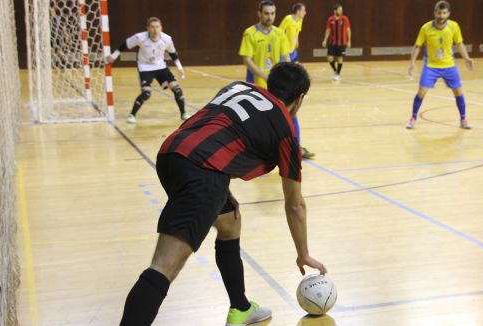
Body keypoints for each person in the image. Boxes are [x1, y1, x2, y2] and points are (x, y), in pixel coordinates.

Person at [119, 62, 327, 326]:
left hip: (171, 154)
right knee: (164, 266)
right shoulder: (286, 132)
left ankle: (240, 307)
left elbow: (219, 132)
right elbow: (295, 205)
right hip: (203, 173)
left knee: (230, 222)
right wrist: (303, 253)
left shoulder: (239, 87)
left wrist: (222, 191)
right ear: (299, 99)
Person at [240, 1, 314, 159]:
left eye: (272, 13)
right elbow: (247, 59)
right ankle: (260, 150)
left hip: (278, 85)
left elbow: (286, 56)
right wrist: (263, 75)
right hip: (258, 85)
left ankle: (296, 147)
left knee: (291, 114)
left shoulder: (279, 34)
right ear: (259, 13)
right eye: (266, 13)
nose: (269, 17)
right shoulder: (250, 33)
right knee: (260, 120)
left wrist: (292, 74)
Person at [106, 17, 190, 123]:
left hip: (161, 67)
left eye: (157, 27)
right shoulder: (140, 37)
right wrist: (113, 56)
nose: (155, 30)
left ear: (161, 28)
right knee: (146, 93)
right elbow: (125, 44)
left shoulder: (167, 39)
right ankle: (132, 114)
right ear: (148, 28)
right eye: (152, 27)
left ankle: (183, 114)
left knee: (177, 89)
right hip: (145, 68)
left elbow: (173, 53)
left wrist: (179, 67)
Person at [406, 0, 474, 129]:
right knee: (421, 92)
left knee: (458, 92)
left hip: (449, 65)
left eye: (444, 13)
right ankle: (413, 117)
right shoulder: (426, 28)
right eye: (439, 13)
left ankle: (463, 119)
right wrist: (412, 63)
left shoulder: (454, 26)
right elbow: (417, 46)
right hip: (431, 66)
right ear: (434, 13)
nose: (441, 16)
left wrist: (466, 58)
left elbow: (459, 43)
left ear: (448, 13)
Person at [278, 3, 315, 159]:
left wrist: (296, 42)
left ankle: (295, 145)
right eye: (304, 10)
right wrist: (285, 50)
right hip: (285, 52)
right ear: (298, 11)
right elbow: (279, 33)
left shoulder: (299, 22)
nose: (305, 12)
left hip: (292, 52)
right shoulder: (288, 19)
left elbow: (297, 33)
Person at [321, 3, 351, 81]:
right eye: (339, 10)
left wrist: (349, 41)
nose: (341, 11)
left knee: (340, 59)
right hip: (332, 42)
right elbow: (328, 30)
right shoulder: (330, 19)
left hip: (342, 43)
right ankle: (335, 70)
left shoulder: (345, 19)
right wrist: (325, 40)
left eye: (341, 10)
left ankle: (338, 74)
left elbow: (348, 30)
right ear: (335, 11)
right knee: (329, 58)